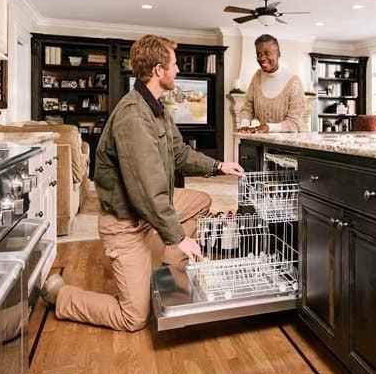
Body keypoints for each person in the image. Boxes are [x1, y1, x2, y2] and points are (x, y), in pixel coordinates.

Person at [41, 34, 244, 332]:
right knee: (134, 317)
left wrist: (218, 165)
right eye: (174, 65)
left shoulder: (157, 108)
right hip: (125, 224)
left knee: (200, 200)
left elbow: (179, 152)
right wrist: (177, 237)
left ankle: (162, 269)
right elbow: (149, 193)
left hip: (145, 215)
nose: (178, 71)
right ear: (158, 70)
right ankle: (60, 295)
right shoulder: (134, 118)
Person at [238, 34, 306, 133]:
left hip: (292, 144)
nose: (262, 58)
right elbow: (247, 108)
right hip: (267, 142)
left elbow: (294, 122)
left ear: (278, 53)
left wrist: (267, 127)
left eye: (267, 53)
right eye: (259, 54)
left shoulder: (293, 82)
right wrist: (244, 125)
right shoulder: (257, 76)